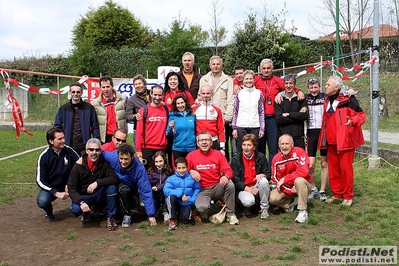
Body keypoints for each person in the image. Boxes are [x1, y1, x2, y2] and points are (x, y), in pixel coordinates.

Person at [318, 76, 365, 207]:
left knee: (345, 169)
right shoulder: (327, 99)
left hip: (345, 141)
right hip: (331, 141)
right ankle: (337, 194)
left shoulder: (348, 99)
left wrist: (353, 121)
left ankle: (348, 196)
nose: (325, 86)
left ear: (337, 87)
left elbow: (361, 115)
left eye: (328, 84)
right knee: (333, 169)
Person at [187, 131, 239, 225]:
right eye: (201, 140)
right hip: (201, 189)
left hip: (217, 186)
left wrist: (226, 177)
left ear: (211, 142)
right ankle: (204, 211)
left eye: (207, 140)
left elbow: (229, 171)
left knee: (230, 184)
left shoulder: (218, 154)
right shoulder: (191, 156)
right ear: (197, 143)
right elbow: (180, 172)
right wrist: (190, 171)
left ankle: (231, 214)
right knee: (202, 208)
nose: (204, 142)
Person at [68, 138, 119, 231]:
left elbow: (114, 178)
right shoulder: (77, 166)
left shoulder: (104, 163)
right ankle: (85, 212)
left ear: (100, 151)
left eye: (97, 150)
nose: (94, 152)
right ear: (87, 151)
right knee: (75, 210)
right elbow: (71, 188)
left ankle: (111, 217)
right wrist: (81, 202)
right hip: (84, 196)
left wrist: (97, 183)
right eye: (91, 149)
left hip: (99, 194)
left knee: (112, 187)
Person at [102, 143, 157, 227]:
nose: (123, 162)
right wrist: (83, 157)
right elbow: (98, 152)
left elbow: (146, 190)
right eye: (121, 158)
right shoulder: (112, 157)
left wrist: (151, 215)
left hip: (132, 188)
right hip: (117, 184)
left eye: (126, 159)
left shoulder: (139, 168)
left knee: (134, 211)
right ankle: (125, 215)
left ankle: (128, 213)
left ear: (132, 157)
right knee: (122, 189)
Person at [36, 128, 79, 221]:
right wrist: (55, 192)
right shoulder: (44, 156)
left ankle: (80, 210)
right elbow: (40, 180)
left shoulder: (69, 151)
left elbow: (80, 167)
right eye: (59, 139)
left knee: (78, 208)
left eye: (63, 138)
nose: (63, 141)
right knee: (42, 201)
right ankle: (49, 212)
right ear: (51, 141)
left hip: (70, 185)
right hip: (52, 187)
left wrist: (70, 184)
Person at [269, 134, 312, 223]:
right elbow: (275, 179)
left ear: (292, 144)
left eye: (287, 144)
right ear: (279, 145)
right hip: (288, 190)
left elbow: (304, 172)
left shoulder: (300, 152)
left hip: (303, 185)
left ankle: (302, 211)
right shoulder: (276, 159)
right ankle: (292, 202)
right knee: (272, 198)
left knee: (299, 180)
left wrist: (285, 179)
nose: (284, 147)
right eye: (282, 144)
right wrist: (289, 190)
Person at [200, 55, 234, 162]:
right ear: (210, 65)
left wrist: (228, 116)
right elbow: (199, 96)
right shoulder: (204, 79)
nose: (215, 66)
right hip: (207, 117)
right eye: (213, 64)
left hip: (223, 116)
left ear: (222, 65)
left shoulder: (228, 80)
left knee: (223, 143)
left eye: (218, 64)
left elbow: (230, 99)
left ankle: (224, 165)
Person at [231, 134, 270, 219]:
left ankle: (264, 208)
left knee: (264, 181)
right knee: (248, 201)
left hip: (257, 185)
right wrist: (249, 189)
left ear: (254, 147)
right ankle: (246, 206)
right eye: (244, 145)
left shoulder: (261, 157)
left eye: (249, 145)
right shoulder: (236, 159)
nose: (246, 148)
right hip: (244, 188)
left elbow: (268, 174)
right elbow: (236, 181)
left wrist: (262, 175)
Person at [54, 82, 99, 155]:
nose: (75, 94)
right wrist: (58, 141)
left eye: (78, 92)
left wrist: (96, 142)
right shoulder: (63, 109)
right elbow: (57, 127)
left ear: (81, 93)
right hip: (68, 145)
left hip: (84, 146)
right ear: (70, 93)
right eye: (73, 92)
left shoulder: (89, 108)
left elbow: (95, 127)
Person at [163, 72, 195, 167]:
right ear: (167, 82)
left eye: (175, 79)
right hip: (168, 125)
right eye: (170, 79)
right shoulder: (164, 94)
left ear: (178, 80)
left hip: (183, 126)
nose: (173, 81)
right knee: (171, 151)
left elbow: (193, 107)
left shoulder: (185, 93)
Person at [305, 77, 328, 202]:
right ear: (308, 88)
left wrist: (349, 90)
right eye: (311, 87)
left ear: (320, 87)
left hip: (323, 133)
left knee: (324, 163)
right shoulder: (305, 98)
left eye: (316, 87)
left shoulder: (325, 97)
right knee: (310, 165)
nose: (314, 90)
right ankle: (313, 188)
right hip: (311, 133)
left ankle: (323, 190)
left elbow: (341, 92)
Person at [231, 70, 265, 154]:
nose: (248, 81)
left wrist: (262, 128)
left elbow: (261, 112)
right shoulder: (239, 93)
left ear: (254, 79)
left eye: (250, 78)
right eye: (246, 79)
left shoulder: (258, 93)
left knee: (254, 151)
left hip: (255, 126)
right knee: (241, 151)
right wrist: (234, 128)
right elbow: (235, 111)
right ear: (243, 80)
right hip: (241, 126)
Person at [135, 85, 168, 167]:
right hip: (147, 147)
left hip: (162, 147)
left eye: (159, 95)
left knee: (160, 173)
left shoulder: (166, 109)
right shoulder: (143, 110)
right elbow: (139, 132)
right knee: (146, 173)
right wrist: (138, 150)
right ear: (151, 94)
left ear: (163, 95)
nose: (157, 97)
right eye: (155, 95)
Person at [164, 157, 201, 230]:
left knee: (185, 220)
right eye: (179, 168)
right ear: (175, 168)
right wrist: (180, 194)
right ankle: (172, 219)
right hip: (175, 202)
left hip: (186, 202)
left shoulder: (192, 178)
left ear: (187, 167)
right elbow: (166, 190)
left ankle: (184, 213)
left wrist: (191, 199)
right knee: (171, 196)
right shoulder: (171, 179)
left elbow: (197, 189)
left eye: (183, 168)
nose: (181, 170)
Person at [274, 74, 308, 149]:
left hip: (298, 136)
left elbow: (304, 116)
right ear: (284, 85)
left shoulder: (301, 98)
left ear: (295, 85)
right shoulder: (279, 99)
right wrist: (297, 115)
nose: (288, 86)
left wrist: (288, 114)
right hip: (284, 136)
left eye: (291, 83)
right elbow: (279, 119)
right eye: (286, 83)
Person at [91, 76, 127, 143]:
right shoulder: (95, 103)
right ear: (100, 88)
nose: (105, 89)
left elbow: (128, 114)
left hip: (120, 135)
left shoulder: (123, 99)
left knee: (121, 153)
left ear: (112, 86)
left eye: (108, 86)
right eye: (103, 87)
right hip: (105, 137)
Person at [192, 85, 225, 152]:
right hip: (199, 141)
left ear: (212, 94)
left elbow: (221, 129)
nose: (205, 95)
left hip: (213, 141)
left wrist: (222, 146)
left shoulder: (217, 110)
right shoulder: (193, 109)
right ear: (200, 94)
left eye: (208, 93)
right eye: (203, 93)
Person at [167, 94, 197, 161]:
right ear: (175, 105)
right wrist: (170, 128)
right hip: (178, 148)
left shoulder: (192, 115)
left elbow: (196, 130)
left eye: (182, 103)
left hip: (191, 147)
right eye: (178, 103)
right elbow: (168, 134)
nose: (180, 105)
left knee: (191, 169)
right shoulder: (172, 116)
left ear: (185, 103)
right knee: (179, 169)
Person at [147, 151, 173, 223]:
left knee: (167, 191)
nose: (158, 164)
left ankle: (166, 212)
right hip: (155, 195)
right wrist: (151, 188)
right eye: (156, 162)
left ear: (164, 160)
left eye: (160, 161)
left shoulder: (168, 171)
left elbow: (168, 183)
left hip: (164, 194)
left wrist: (158, 187)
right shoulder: (150, 172)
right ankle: (156, 209)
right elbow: (147, 183)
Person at [126, 74, 151, 141]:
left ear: (145, 84)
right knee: (139, 150)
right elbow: (128, 115)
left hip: (153, 128)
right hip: (138, 129)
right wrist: (135, 116)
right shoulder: (131, 100)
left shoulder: (153, 95)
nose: (138, 86)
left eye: (139, 83)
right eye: (136, 84)